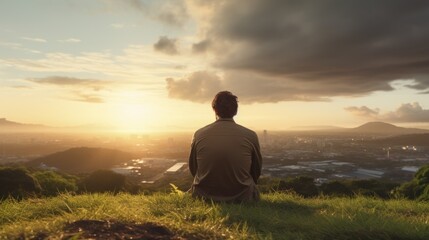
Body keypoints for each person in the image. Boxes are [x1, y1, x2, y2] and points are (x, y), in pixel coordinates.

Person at [188, 91, 263, 202]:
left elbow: (194, 168)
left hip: (203, 196)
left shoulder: (199, 134)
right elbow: (256, 169)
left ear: (214, 109)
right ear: (236, 110)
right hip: (242, 196)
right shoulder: (250, 135)